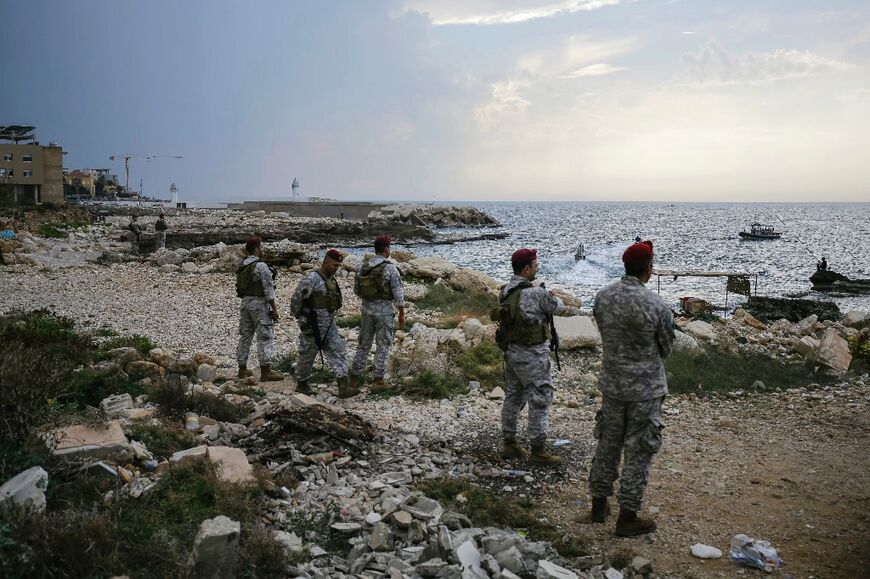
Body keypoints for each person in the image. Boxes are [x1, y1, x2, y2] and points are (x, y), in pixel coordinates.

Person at [588, 240, 675, 537]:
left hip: (612, 385)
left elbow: (603, 332)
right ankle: (627, 516)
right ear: (649, 269)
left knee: (608, 444)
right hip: (645, 390)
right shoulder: (656, 305)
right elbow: (666, 348)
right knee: (638, 452)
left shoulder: (602, 297)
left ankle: (598, 507)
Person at [496, 248, 578, 465]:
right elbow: (557, 307)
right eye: (535, 265)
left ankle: (509, 442)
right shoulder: (535, 293)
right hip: (532, 354)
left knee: (513, 395)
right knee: (540, 397)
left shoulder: (505, 291)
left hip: (512, 352)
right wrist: (547, 293)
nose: (537, 268)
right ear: (526, 269)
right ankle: (538, 449)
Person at [290, 249, 359, 398]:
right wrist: (301, 318)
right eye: (335, 265)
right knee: (307, 354)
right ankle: (302, 384)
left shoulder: (330, 279)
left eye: (338, 266)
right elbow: (297, 299)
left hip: (328, 325)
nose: (336, 268)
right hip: (312, 325)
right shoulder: (312, 279)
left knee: (338, 350)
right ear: (326, 262)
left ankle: (343, 386)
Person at [349, 235, 405, 392]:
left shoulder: (363, 267)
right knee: (383, 345)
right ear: (387, 249)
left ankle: (354, 377)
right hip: (385, 313)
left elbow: (356, 290)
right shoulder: (390, 268)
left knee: (363, 344)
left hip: (367, 311)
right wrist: (401, 312)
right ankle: (378, 380)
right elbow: (398, 293)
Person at [235, 236, 283, 382]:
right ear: (256, 249)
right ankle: (266, 371)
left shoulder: (243, 264)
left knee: (245, 336)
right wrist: (274, 309)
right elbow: (269, 290)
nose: (262, 250)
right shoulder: (261, 266)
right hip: (259, 305)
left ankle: (242, 369)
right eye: (260, 247)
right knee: (265, 336)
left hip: (245, 303)